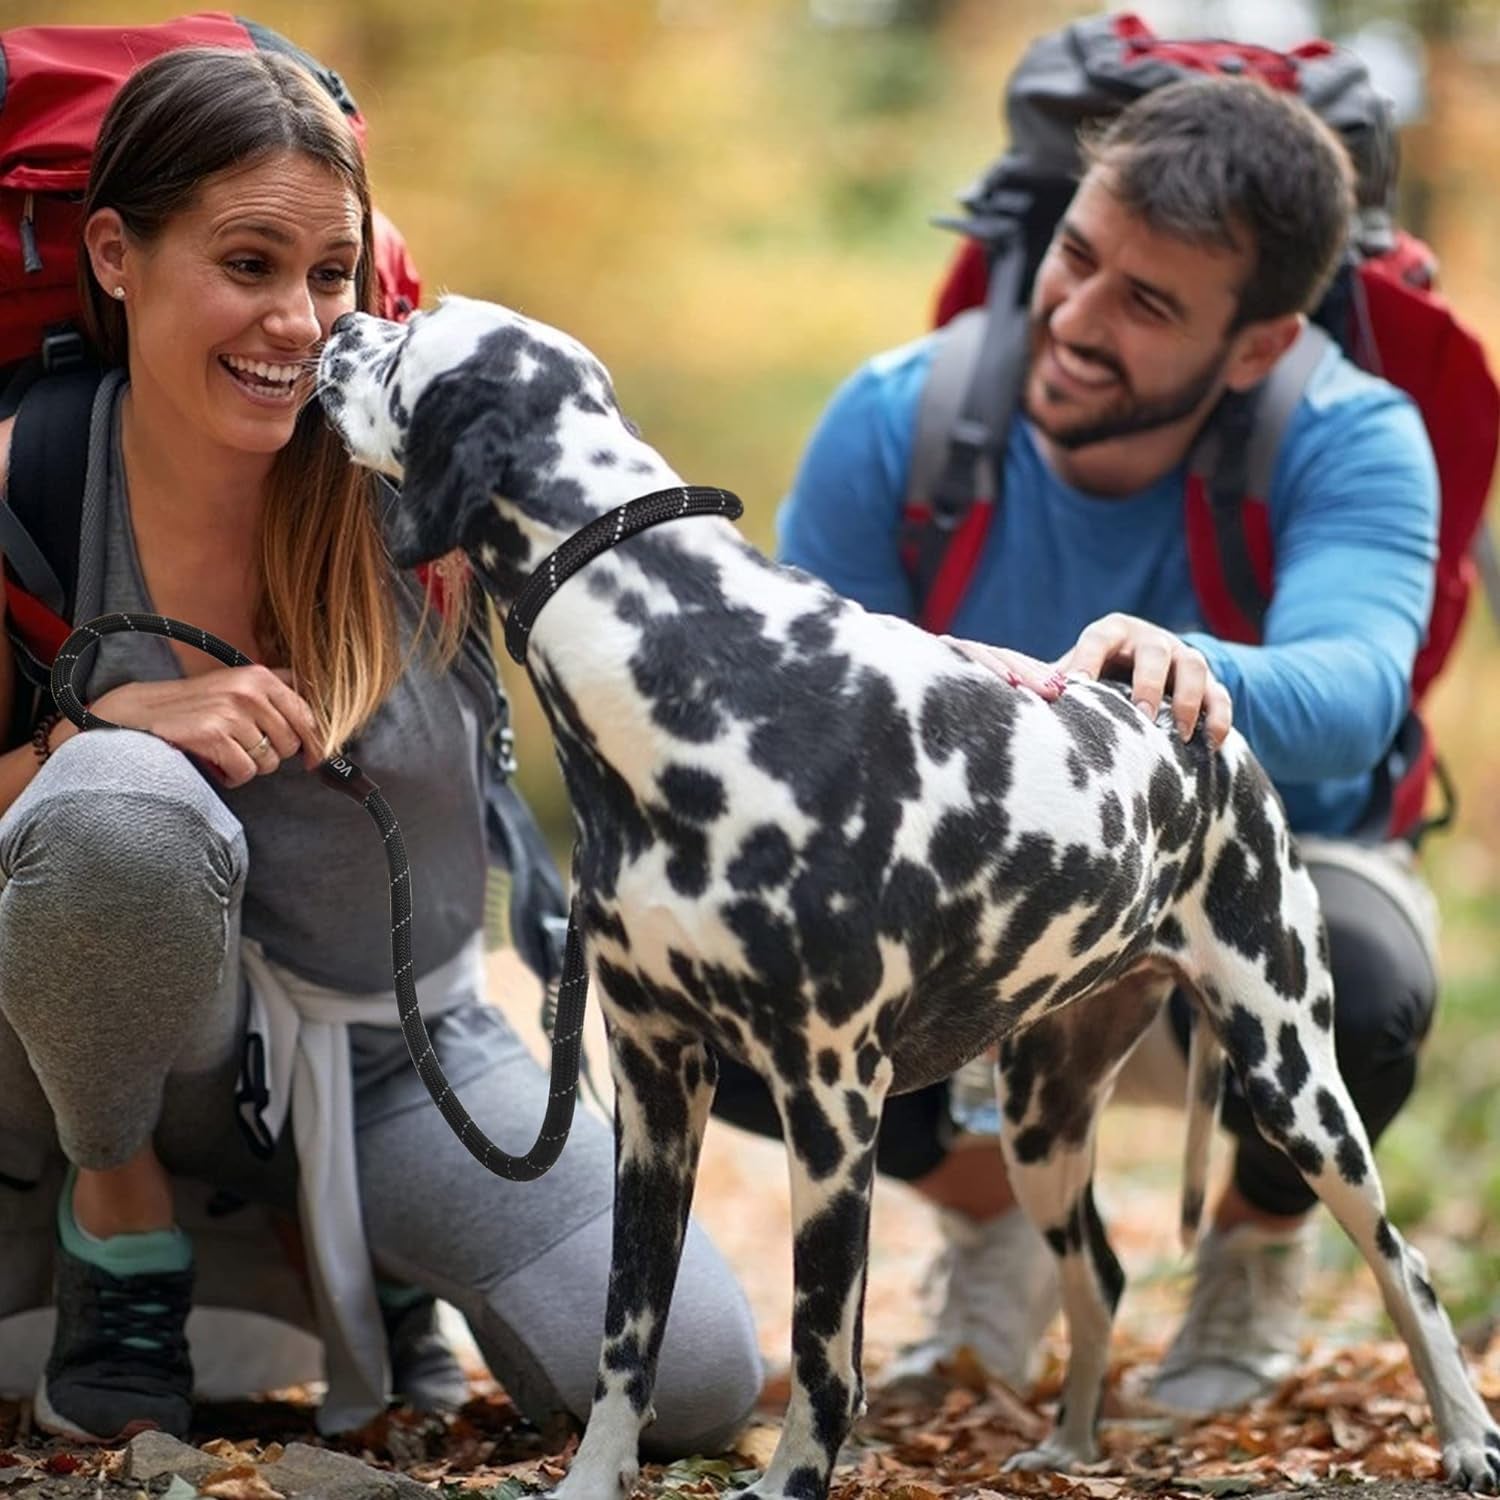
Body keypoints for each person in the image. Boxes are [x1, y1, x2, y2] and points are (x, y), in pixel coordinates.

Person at [0, 45, 761, 1448]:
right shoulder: (27, 477)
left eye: (332, 274)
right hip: (89, 1073)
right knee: (117, 805)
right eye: (247, 262)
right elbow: (73, 822)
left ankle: (369, 1255)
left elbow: (710, 621)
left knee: (695, 1383)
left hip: (395, 1056)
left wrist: (989, 682)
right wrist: (74, 735)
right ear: (114, 253)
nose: (297, 322)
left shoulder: (427, 477)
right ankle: (119, 1241)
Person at [713, 73, 1441, 1413]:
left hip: (1263, 883)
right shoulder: (901, 419)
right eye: (1077, 259)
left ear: (1256, 347)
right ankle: (1004, 1228)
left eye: (1149, 304)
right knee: (724, 981)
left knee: (1374, 984)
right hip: (988, 908)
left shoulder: (1353, 435)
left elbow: (1357, 690)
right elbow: (793, 703)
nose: (1077, 321)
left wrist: (1196, 675)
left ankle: (1251, 1253)